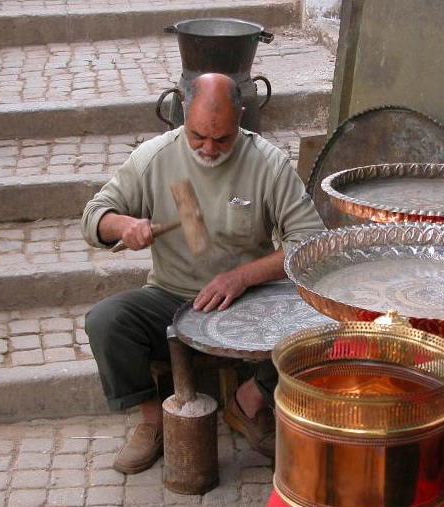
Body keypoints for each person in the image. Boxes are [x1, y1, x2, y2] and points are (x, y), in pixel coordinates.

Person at [81, 72, 326, 474]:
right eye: (198, 136)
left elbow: (311, 244)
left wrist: (243, 276)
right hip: (170, 297)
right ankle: (153, 421)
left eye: (222, 139)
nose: (209, 149)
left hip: (247, 299)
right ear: (182, 111)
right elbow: (93, 216)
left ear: (241, 117)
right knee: (106, 321)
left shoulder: (266, 162)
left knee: (319, 318)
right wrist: (121, 225)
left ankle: (248, 402)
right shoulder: (155, 157)